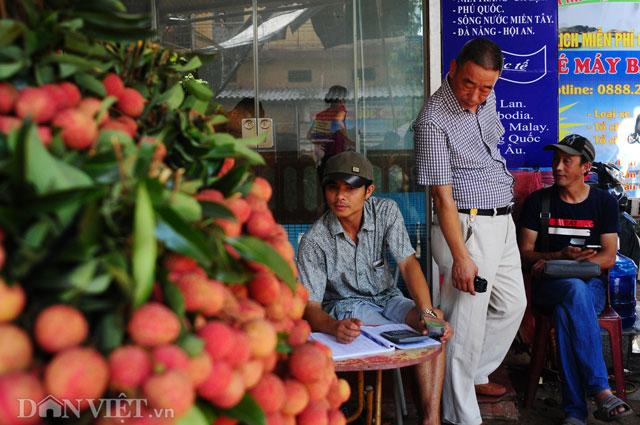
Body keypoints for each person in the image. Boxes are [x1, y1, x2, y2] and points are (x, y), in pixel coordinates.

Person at [413, 37, 527, 425]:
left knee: (513, 305)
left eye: (486, 87)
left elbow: (490, 146)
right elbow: (442, 199)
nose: (476, 95)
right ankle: (461, 413)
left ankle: (471, 373)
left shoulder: (485, 98)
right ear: (452, 69)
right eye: (468, 84)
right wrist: (461, 257)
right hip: (466, 223)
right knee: (465, 322)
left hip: (501, 219)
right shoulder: (433, 121)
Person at [297, 151, 452, 425]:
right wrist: (334, 326)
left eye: (350, 188)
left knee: (435, 325)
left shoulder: (386, 212)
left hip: (389, 299)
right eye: (333, 188)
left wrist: (427, 312)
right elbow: (310, 308)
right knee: (409, 333)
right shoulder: (314, 240)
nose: (340, 196)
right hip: (349, 309)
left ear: (369, 191)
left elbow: (408, 265)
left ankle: (431, 419)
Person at [518, 134, 633, 425]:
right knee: (570, 290)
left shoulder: (603, 203)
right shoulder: (538, 202)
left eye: (567, 161)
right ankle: (600, 389)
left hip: (592, 289)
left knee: (569, 306)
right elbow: (525, 253)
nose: (557, 167)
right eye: (556, 159)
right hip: (548, 287)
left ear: (586, 168)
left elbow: (608, 257)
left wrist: (569, 262)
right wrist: (560, 255)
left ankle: (575, 413)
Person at [308, 85, 354, 176]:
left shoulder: (322, 115)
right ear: (340, 98)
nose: (344, 101)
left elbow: (309, 135)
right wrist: (350, 141)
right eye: (343, 98)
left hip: (324, 158)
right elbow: (338, 121)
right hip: (338, 157)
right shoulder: (341, 110)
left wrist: (319, 143)